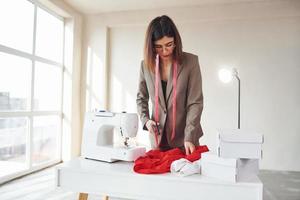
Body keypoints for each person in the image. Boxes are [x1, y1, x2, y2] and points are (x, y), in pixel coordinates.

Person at [136, 15, 204, 155]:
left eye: (169, 44)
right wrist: (146, 121)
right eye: (158, 47)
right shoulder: (145, 65)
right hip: (158, 140)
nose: (165, 51)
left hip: (185, 140)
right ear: (151, 46)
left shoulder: (191, 62)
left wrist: (189, 136)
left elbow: (195, 103)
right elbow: (141, 98)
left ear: (176, 42)